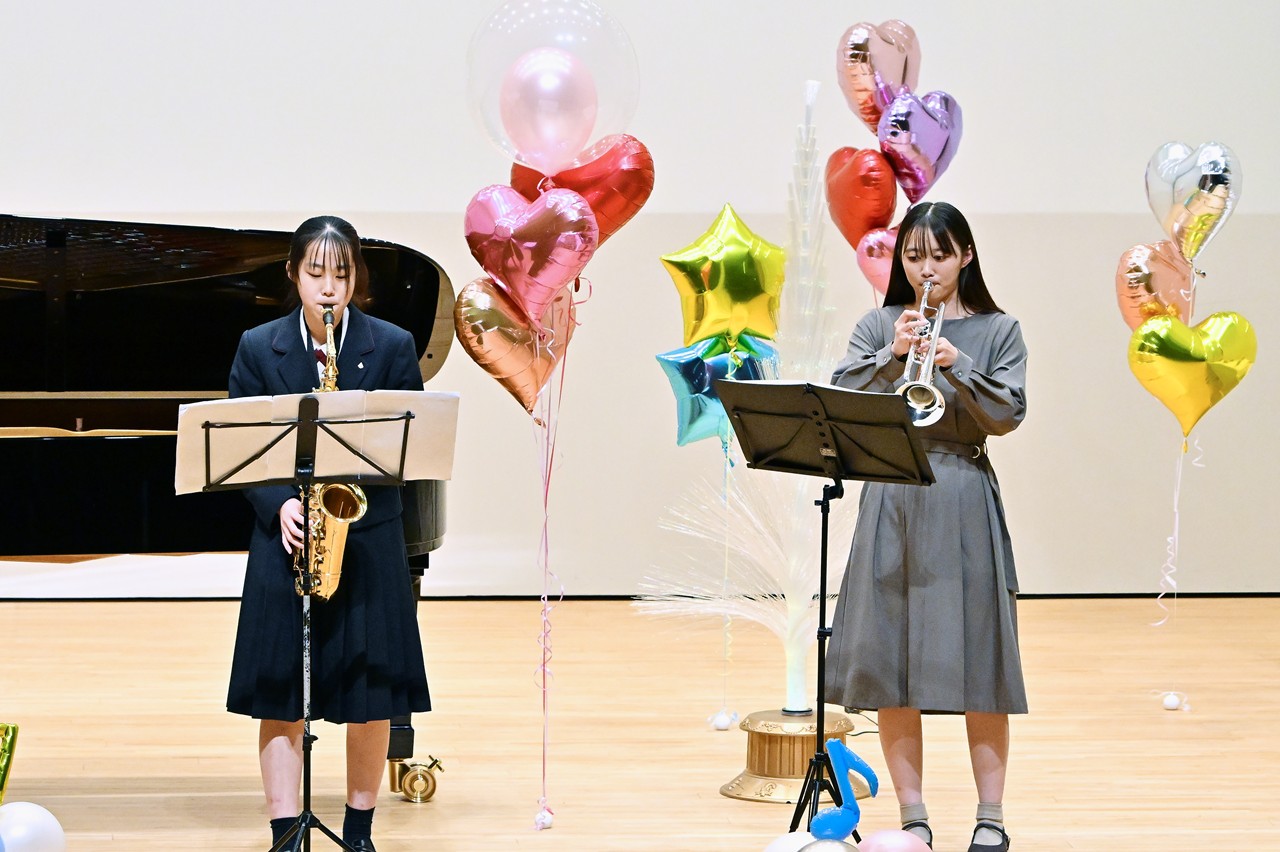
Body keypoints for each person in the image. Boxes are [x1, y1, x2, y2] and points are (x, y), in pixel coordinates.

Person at [824, 202, 1027, 852]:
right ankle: (912, 816)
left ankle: (990, 817)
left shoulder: (999, 329)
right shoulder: (879, 324)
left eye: (940, 255)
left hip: (962, 495)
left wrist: (955, 364)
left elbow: (1008, 414)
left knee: (981, 663)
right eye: (914, 256)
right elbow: (841, 396)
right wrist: (894, 355)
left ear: (965, 255)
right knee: (891, 664)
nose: (926, 269)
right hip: (892, 496)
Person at [226, 216, 430, 852]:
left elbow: (411, 449)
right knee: (279, 689)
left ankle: (359, 831)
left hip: (367, 538)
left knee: (371, 691)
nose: (328, 287)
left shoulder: (392, 345)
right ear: (293, 274)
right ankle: (285, 832)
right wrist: (278, 505)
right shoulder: (258, 346)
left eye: (341, 274)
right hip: (286, 537)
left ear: (355, 279)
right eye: (315, 273)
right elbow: (241, 452)